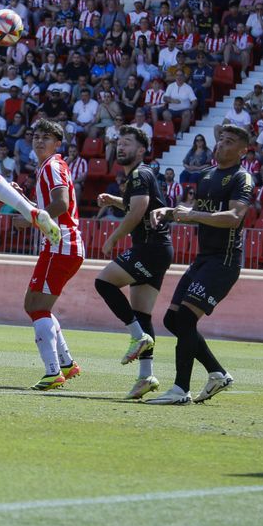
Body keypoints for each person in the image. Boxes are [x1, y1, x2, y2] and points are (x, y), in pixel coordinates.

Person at [146, 123, 254, 405]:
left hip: (224, 261)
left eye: (229, 142)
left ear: (243, 150)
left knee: (184, 319)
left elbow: (232, 218)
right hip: (203, 258)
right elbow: (197, 214)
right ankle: (217, 372)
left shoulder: (242, 178)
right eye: (220, 140)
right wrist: (168, 212)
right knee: (172, 319)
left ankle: (181, 389)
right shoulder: (206, 176)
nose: (220, 145)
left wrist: (188, 213)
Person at [92, 126, 169, 400]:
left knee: (103, 282)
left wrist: (113, 237)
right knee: (143, 314)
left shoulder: (139, 174)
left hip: (149, 248)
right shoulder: (141, 176)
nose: (121, 147)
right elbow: (139, 205)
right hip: (157, 250)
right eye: (119, 142)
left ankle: (137, 336)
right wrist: (115, 200)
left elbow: (138, 210)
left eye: (127, 143)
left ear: (141, 150)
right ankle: (145, 376)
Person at [22, 119, 87, 390]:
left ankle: (53, 372)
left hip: (60, 246)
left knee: (35, 306)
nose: (39, 141)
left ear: (57, 143)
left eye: (46, 137)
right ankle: (66, 363)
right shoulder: (50, 167)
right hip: (63, 247)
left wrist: (31, 218)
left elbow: (60, 203)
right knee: (38, 306)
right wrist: (28, 206)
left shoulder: (52, 166)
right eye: (36, 136)